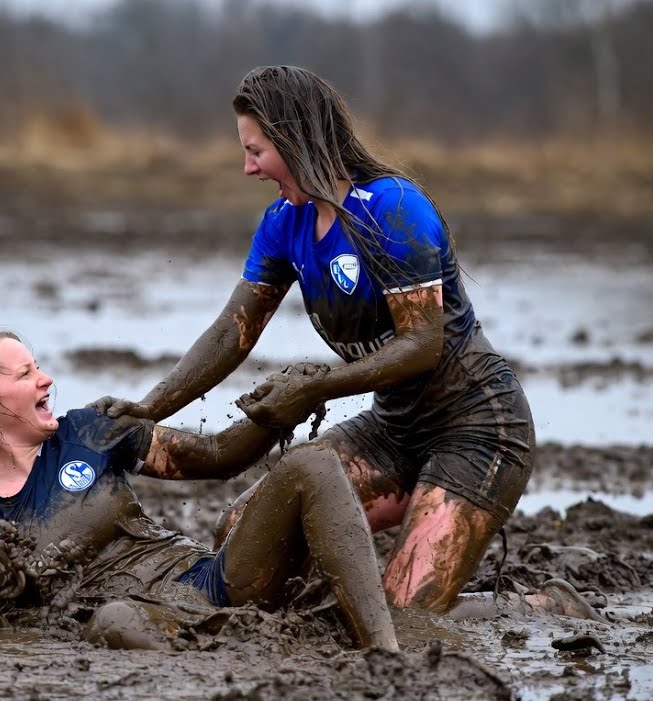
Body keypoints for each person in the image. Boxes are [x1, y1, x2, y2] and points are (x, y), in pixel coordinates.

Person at [91, 64, 592, 621]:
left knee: (404, 619)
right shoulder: (285, 222)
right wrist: (149, 408)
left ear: (294, 138)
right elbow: (233, 333)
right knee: (242, 530)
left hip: (476, 431)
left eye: (256, 150)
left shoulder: (395, 209)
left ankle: (546, 606)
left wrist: (315, 390)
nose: (248, 167)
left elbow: (423, 345)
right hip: (391, 430)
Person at [0, 329, 399, 651]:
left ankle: (384, 652)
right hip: (144, 621)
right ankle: (235, 673)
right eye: (24, 375)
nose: (46, 379)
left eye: (39, 367)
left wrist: (279, 410)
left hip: (215, 585)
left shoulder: (91, 430)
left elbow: (218, 456)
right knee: (114, 620)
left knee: (311, 461)